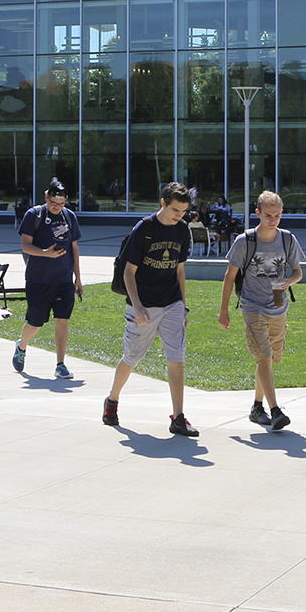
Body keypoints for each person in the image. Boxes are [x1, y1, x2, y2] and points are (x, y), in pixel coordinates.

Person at [102, 182, 196, 436]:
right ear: (163, 203)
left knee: (176, 357)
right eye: (175, 210)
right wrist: (138, 305)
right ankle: (112, 400)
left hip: (172, 302)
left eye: (184, 211)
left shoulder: (183, 230)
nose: (179, 215)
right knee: (132, 357)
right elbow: (129, 273)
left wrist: (183, 306)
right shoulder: (144, 229)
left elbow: (179, 270)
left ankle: (178, 417)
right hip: (143, 303)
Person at [218, 190, 303, 432]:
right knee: (264, 357)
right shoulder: (245, 241)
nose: (273, 219)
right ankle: (275, 410)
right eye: (268, 215)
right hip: (252, 305)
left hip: (278, 306)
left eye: (277, 215)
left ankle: (257, 407)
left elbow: (298, 272)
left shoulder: (287, 239)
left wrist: (290, 281)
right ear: (258, 213)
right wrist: (224, 310)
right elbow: (229, 276)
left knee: (269, 360)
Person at [11, 179, 82, 380]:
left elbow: (74, 248)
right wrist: (45, 253)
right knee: (35, 323)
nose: (57, 207)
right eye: (53, 203)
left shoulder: (69, 217)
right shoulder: (34, 215)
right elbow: (25, 245)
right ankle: (22, 346)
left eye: (61, 204)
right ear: (46, 197)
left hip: (63, 280)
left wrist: (78, 277)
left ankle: (60, 364)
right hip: (38, 279)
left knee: (62, 320)